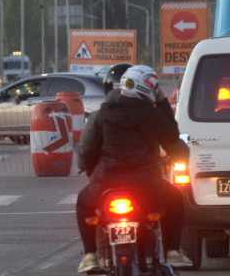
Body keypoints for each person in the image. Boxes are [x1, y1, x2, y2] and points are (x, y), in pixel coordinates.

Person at [76, 65, 193, 273]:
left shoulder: (101, 114)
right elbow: (172, 139)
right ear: (151, 88)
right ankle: (172, 251)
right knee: (175, 199)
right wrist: (162, 102)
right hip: (147, 185)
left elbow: (87, 150)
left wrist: (88, 170)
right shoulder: (152, 114)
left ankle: (90, 255)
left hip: (105, 184)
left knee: (83, 203)